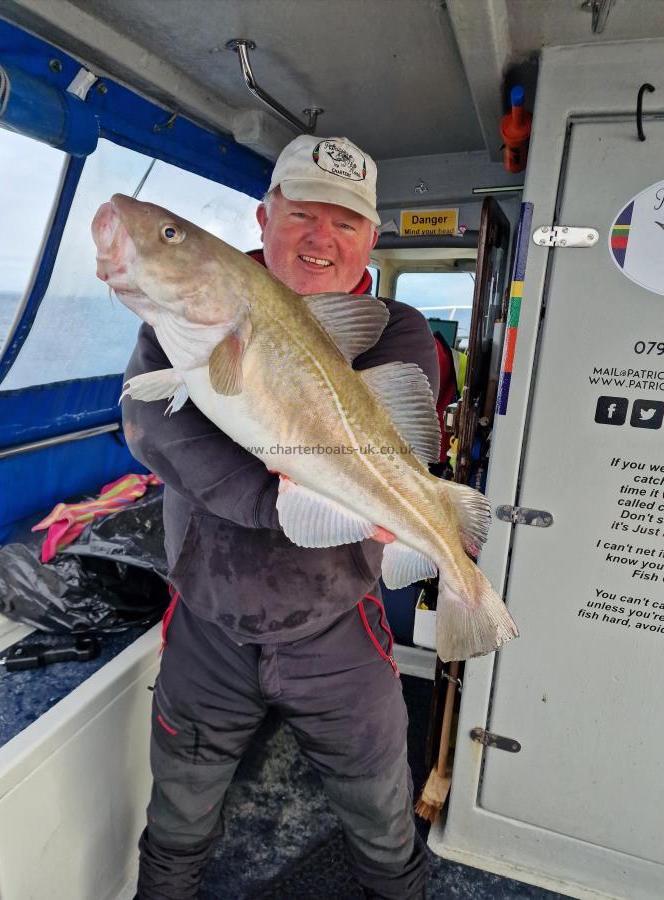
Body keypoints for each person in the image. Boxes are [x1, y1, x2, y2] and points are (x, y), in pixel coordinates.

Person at [123, 134, 439, 899]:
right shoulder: (187, 306)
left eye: (344, 222)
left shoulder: (396, 331)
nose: (319, 238)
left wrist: (288, 460)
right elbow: (155, 429)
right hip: (208, 616)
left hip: (337, 621)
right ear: (264, 217)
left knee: (379, 805)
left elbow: (381, 446)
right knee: (178, 814)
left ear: (371, 235)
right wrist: (280, 498)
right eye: (300, 214)